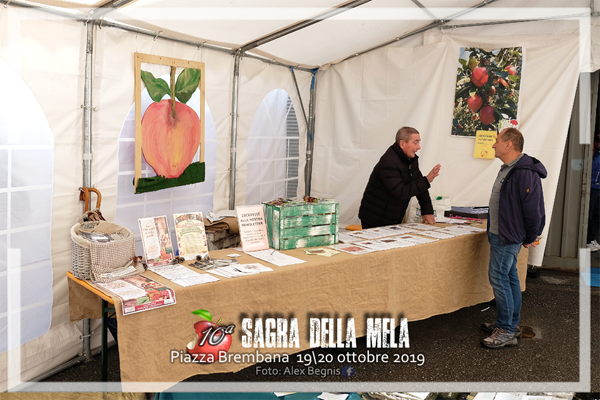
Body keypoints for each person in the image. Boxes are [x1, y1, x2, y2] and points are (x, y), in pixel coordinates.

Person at [482, 127, 546, 349]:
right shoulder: (509, 169)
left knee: (499, 278)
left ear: (509, 144)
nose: (493, 145)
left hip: (508, 236)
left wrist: (530, 236)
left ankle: (506, 329)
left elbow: (534, 210)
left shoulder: (524, 172)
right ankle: (511, 323)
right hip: (502, 233)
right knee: (509, 278)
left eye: (497, 140)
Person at [358, 126, 441, 229]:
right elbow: (401, 192)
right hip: (375, 219)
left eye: (419, 142)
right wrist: (427, 179)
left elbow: (420, 185)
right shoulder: (389, 162)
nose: (419, 147)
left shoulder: (411, 160)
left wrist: (427, 211)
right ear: (402, 144)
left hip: (392, 217)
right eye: (415, 143)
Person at [587, 136, 600, 251]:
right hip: (592, 187)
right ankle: (586, 240)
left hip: (598, 187)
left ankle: (590, 238)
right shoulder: (592, 154)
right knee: (589, 215)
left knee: (597, 215)